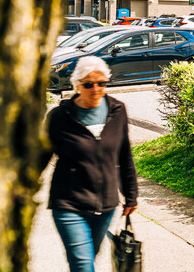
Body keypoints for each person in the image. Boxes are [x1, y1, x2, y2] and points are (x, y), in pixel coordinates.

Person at [46, 55, 138, 272]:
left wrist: (131, 194)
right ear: (77, 86)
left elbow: (124, 155)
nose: (96, 88)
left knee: (88, 260)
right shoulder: (59, 116)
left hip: (105, 206)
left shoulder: (117, 110)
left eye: (101, 83)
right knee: (82, 264)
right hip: (68, 204)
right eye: (88, 84)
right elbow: (39, 156)